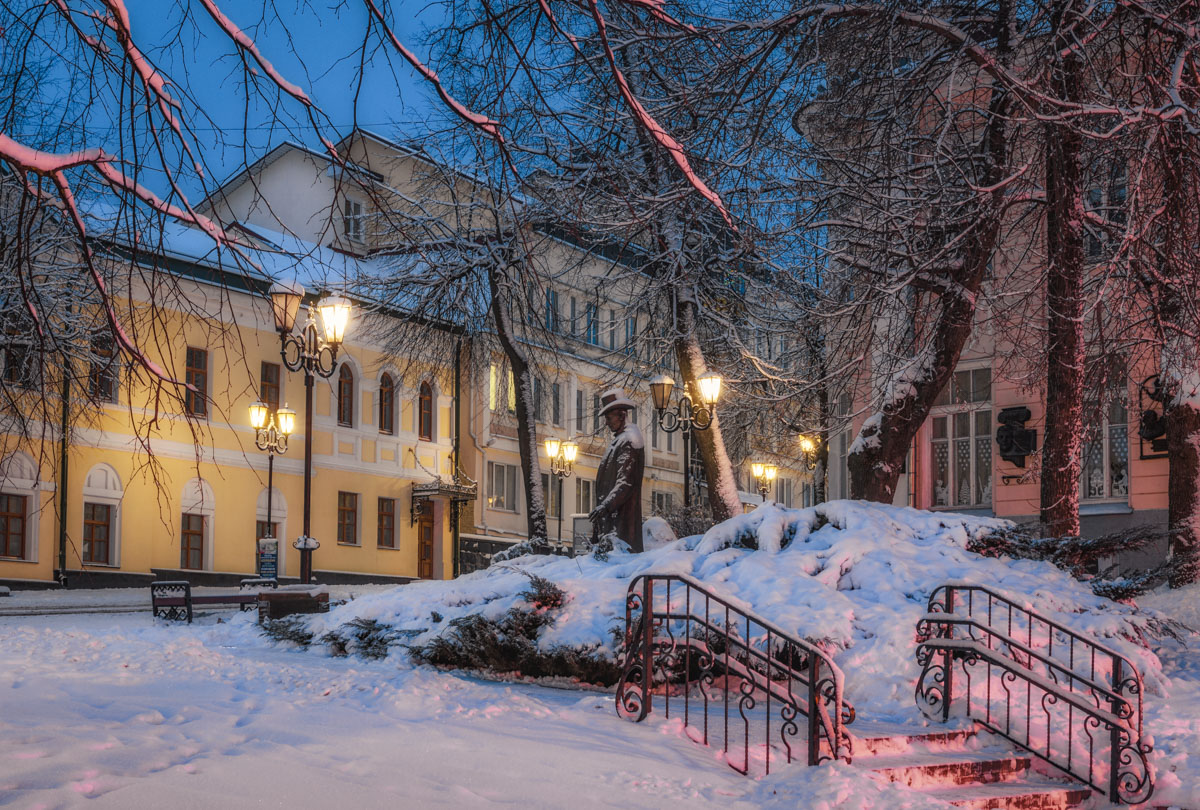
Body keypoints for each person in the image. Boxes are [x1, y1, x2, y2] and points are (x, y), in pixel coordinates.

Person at [588, 389, 646, 553]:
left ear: (621, 415)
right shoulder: (621, 440)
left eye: (608, 418)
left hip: (620, 523)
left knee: (615, 565)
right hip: (611, 520)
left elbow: (625, 482)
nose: (606, 423)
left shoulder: (629, 440)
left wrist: (605, 506)